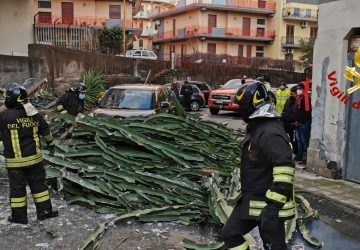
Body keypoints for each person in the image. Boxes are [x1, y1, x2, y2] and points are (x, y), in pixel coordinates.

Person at [222, 82, 295, 250]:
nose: (240, 111)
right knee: (230, 234)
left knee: (274, 246)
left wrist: (272, 208)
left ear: (250, 106)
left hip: (269, 206)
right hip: (253, 200)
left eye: (242, 107)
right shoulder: (259, 127)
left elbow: (285, 170)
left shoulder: (270, 132)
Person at [0, 83, 58, 224]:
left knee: (18, 190)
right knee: (39, 187)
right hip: (34, 160)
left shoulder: (4, 118)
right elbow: (46, 132)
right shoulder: (34, 114)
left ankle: (20, 217)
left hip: (15, 163)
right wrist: (51, 144)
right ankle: (45, 212)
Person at [293, 82, 312, 164]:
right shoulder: (299, 98)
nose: (298, 90)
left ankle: (305, 157)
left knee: (304, 140)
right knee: (299, 140)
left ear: (304, 89)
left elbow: (307, 112)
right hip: (299, 122)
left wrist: (301, 121)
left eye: (300, 89)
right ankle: (299, 156)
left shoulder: (306, 98)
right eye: (298, 89)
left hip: (304, 123)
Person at [281, 86, 298, 155]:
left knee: (294, 140)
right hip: (286, 123)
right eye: (291, 94)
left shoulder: (297, 102)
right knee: (284, 138)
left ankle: (295, 152)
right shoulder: (288, 100)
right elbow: (284, 110)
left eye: (293, 94)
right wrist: (283, 117)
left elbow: (297, 113)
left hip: (293, 124)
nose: (291, 95)